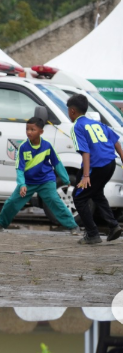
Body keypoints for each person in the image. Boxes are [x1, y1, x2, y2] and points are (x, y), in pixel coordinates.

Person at [0, 117, 79, 234]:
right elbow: (20, 168)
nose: (29, 132)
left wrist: (65, 179)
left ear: (41, 132)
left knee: (55, 201)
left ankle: (73, 226)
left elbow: (57, 163)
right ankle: (0, 224)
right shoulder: (22, 147)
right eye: (27, 129)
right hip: (28, 182)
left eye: (33, 129)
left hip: (46, 181)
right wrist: (22, 184)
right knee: (11, 202)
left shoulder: (47, 146)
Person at [67, 93, 123, 245]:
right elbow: (116, 142)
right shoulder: (97, 123)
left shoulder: (77, 126)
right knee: (96, 193)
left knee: (79, 197)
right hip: (110, 164)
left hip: (96, 166)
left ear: (72, 111)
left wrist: (86, 176)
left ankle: (92, 234)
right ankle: (113, 225)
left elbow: (86, 152)